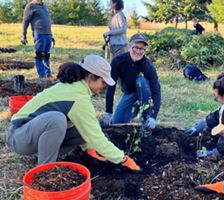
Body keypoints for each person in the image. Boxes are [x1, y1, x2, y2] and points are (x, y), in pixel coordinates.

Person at [6, 54, 140, 171]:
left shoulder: (77, 88)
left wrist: (90, 147)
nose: (104, 87)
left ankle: (46, 157)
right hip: (18, 137)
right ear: (91, 77)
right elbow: (97, 138)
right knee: (56, 119)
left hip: (30, 135)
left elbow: (90, 132)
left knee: (85, 128)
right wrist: (123, 159)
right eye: (103, 82)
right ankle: (44, 170)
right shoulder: (77, 97)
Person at [102, 33, 161, 137]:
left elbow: (156, 91)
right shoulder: (118, 61)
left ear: (145, 50)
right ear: (129, 47)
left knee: (141, 81)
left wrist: (153, 116)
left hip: (145, 94)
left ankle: (145, 120)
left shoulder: (148, 66)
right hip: (129, 94)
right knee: (116, 123)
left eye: (142, 49)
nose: (138, 51)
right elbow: (111, 86)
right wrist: (108, 111)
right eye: (135, 47)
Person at [21, 0, 55, 82]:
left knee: (47, 55)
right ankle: (42, 76)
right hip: (39, 33)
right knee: (40, 55)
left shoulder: (44, 6)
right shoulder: (30, 6)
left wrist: (52, 35)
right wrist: (24, 36)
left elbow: (47, 21)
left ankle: (48, 75)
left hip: (48, 34)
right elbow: (25, 21)